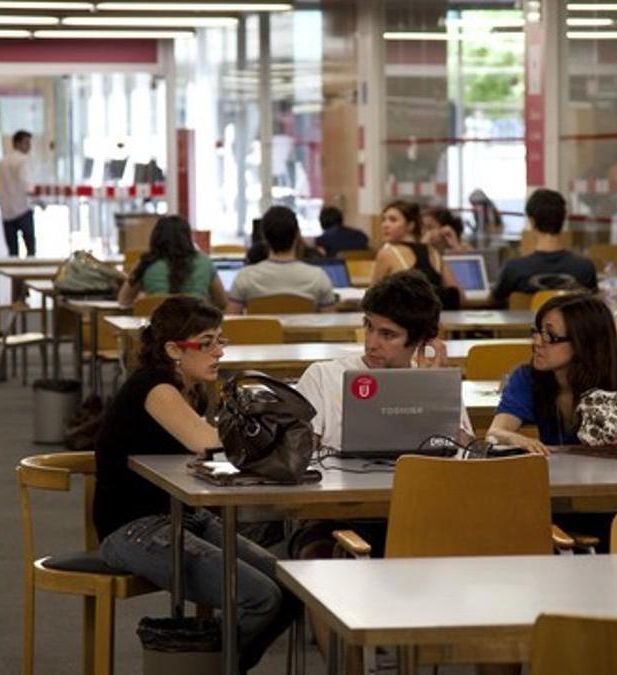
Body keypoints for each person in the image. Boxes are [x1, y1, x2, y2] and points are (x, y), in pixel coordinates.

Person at [94, 295, 297, 672]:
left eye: (221, 340)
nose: (219, 351)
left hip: (183, 515)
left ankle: (212, 662)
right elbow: (212, 443)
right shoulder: (156, 388)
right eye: (207, 343)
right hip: (133, 529)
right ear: (173, 349)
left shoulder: (192, 387)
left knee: (292, 588)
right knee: (261, 596)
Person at [297, 269, 472, 451]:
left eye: (387, 335)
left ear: (420, 340)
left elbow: (464, 453)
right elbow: (297, 455)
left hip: (414, 479)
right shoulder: (322, 377)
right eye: (369, 327)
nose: (371, 343)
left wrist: (434, 393)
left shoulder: (436, 383)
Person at [488, 293, 617, 455]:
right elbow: (495, 433)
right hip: (552, 478)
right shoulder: (528, 378)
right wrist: (514, 439)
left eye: (550, 336)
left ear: (584, 342)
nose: (537, 342)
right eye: (537, 331)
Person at [491, 188, 598, 306]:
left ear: (531, 221)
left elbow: (495, 300)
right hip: (571, 325)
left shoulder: (513, 269)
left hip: (527, 324)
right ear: (563, 219)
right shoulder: (585, 268)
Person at [227, 206, 335, 313]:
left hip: (260, 331)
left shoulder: (245, 277)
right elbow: (330, 324)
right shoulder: (318, 277)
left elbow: (230, 322)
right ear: (297, 235)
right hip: (303, 331)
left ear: (264, 237)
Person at [118, 215, 227, 309]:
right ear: (188, 237)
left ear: (156, 238)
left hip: (157, 329)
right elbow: (221, 302)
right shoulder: (205, 262)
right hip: (196, 329)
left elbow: (124, 300)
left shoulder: (145, 263)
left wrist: (145, 301)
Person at [370, 200, 462, 309]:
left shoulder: (388, 253)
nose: (385, 225)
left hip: (405, 323)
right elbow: (460, 296)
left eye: (393, 220)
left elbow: (371, 299)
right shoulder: (434, 253)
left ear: (410, 225)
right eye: (384, 220)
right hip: (438, 322)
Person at [0, 130, 36, 257]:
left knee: (12, 253)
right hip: (23, 210)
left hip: (7, 212)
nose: (29, 146)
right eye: (26, 143)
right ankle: (30, 274)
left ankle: (16, 277)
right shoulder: (23, 160)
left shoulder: (2, 162)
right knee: (30, 250)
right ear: (17, 144)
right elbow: (27, 185)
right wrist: (38, 199)